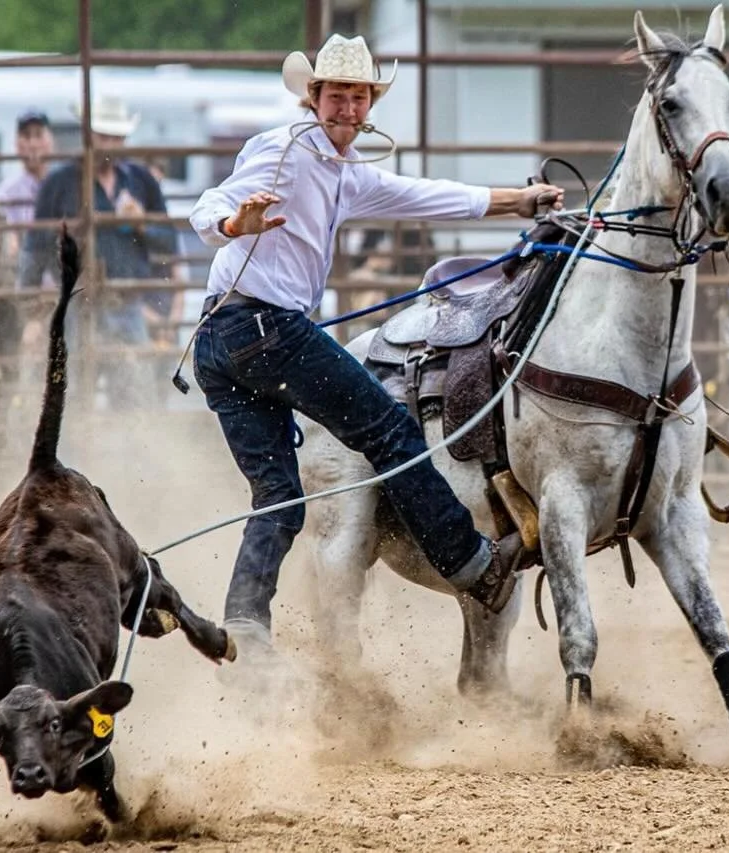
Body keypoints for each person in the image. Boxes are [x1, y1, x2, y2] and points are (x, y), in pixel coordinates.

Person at [187, 33, 564, 660]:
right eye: (338, 96)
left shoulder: (345, 172)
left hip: (219, 346)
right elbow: (212, 205)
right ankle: (470, 563)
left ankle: (246, 624)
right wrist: (232, 225)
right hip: (265, 330)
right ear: (314, 98)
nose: (349, 109)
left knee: (280, 497)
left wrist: (515, 201)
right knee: (389, 429)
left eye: (359, 97)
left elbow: (424, 195)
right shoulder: (285, 150)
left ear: (369, 103)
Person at [19, 95, 177, 405]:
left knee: (135, 395)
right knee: (73, 394)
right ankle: (78, 450)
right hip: (79, 303)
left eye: (117, 137)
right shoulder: (59, 183)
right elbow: (34, 250)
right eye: (105, 135)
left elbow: (169, 242)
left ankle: (132, 452)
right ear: (88, 136)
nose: (111, 144)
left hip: (127, 304)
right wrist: (32, 315)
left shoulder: (141, 181)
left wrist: (141, 224)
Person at [0, 109, 54, 265]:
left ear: (50, 142)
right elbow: (8, 243)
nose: (33, 144)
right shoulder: (5, 193)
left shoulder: (63, 186)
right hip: (23, 279)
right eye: (26, 136)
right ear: (17, 144)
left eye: (39, 135)